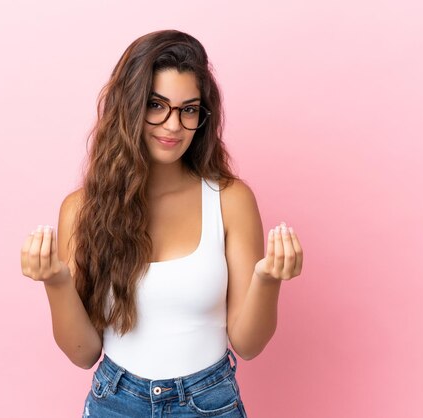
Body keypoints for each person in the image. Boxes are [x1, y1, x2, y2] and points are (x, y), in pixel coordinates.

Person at [20, 29, 303, 417]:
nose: (173, 126)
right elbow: (83, 354)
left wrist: (268, 280)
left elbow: (248, 344)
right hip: (115, 402)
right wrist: (55, 282)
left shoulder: (230, 200)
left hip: (209, 402)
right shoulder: (81, 210)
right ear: (130, 107)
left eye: (188, 109)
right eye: (157, 105)